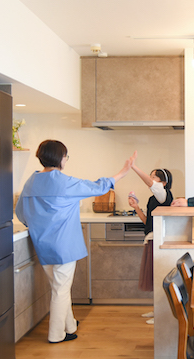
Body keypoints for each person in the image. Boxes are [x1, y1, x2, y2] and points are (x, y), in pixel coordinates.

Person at [16, 140, 135, 343]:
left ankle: (69, 325)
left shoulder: (31, 182)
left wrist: (38, 224)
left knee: (59, 288)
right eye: (65, 157)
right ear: (60, 158)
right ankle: (56, 335)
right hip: (63, 246)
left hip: (42, 245)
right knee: (61, 290)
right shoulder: (64, 182)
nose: (66, 160)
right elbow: (98, 187)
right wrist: (123, 172)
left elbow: (20, 213)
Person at [128, 164, 173, 324]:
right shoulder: (153, 199)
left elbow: (151, 184)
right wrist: (136, 207)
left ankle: (161, 314)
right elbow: (148, 222)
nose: (150, 180)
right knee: (155, 277)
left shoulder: (164, 195)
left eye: (154, 177)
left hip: (158, 241)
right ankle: (157, 310)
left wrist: (133, 166)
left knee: (160, 278)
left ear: (163, 183)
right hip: (151, 239)